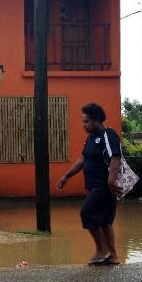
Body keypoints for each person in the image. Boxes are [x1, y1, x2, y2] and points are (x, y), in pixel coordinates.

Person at [57, 103, 123, 266]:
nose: (83, 125)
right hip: (95, 186)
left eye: (86, 122)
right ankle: (112, 256)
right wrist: (67, 176)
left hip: (105, 186)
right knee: (105, 222)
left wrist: (111, 180)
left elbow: (115, 156)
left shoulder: (108, 134)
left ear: (96, 121)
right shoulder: (91, 138)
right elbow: (82, 159)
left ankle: (101, 250)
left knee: (87, 212)